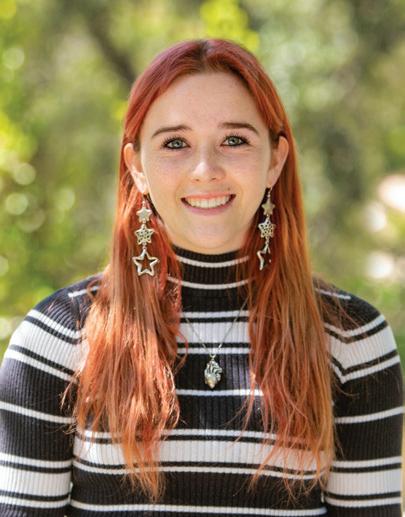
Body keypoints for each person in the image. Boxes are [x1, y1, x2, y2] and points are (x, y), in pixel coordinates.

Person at [0, 39, 403, 516]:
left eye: (234, 141)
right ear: (137, 166)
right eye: (175, 143)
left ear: (275, 160)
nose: (205, 170)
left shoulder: (353, 341)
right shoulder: (55, 339)